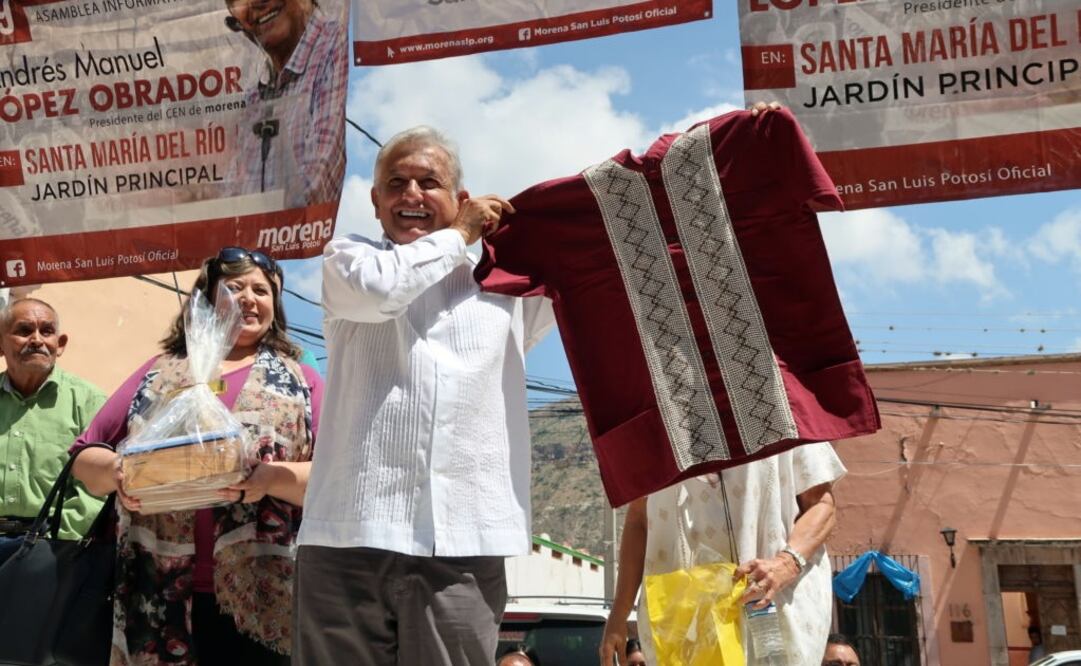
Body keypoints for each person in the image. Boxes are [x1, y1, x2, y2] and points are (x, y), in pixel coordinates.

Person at [293, 126, 555, 666]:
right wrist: (460, 234)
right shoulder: (349, 263)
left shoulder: (507, 286)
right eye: (396, 183)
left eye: (428, 182)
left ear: (459, 198)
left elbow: (598, 268)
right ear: (376, 201)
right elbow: (383, 292)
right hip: (349, 532)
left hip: (463, 540)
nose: (411, 194)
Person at [72, 247, 324, 666]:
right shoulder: (161, 371)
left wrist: (268, 480)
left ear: (275, 307)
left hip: (265, 595)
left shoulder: (301, 379)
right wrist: (123, 472)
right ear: (206, 300)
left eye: (262, 290)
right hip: (154, 590)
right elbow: (86, 454)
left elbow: (336, 475)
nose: (249, 298)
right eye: (235, 287)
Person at [600, 442, 845, 666]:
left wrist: (786, 563)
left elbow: (821, 505)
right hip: (684, 624)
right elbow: (639, 519)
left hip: (772, 613)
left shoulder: (782, 404)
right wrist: (620, 613)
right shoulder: (650, 424)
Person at [0, 298, 105, 562]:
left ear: (61, 344)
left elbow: (100, 483)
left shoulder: (88, 401)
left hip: (53, 548)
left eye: (46, 331)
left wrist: (61, 539)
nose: (36, 340)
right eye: (24, 331)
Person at [224, 0, 348, 208]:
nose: (255, 3)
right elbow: (229, 196)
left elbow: (317, 185)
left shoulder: (336, 45)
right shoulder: (254, 96)